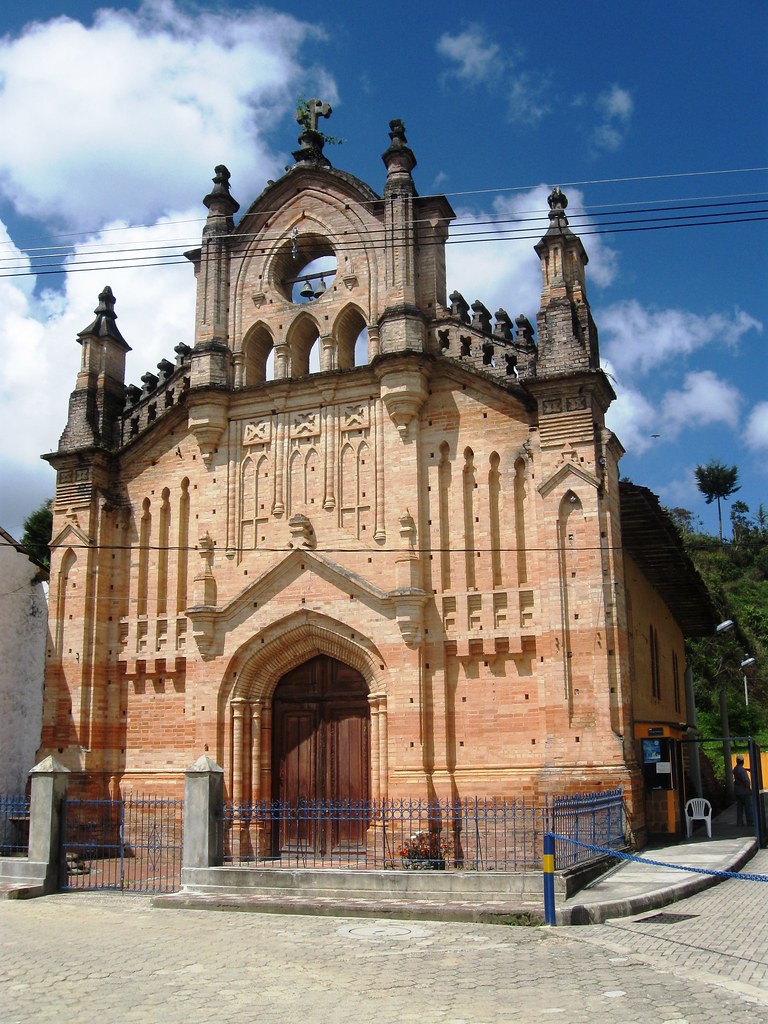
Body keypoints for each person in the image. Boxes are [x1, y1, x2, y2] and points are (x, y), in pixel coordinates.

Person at [733, 755, 754, 826]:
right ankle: (750, 822)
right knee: (748, 807)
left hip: (738, 791)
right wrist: (749, 789)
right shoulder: (742, 771)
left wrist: (747, 769)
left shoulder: (735, 769)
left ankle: (739, 822)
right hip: (744, 791)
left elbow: (739, 770)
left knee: (739, 808)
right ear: (743, 761)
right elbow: (746, 782)